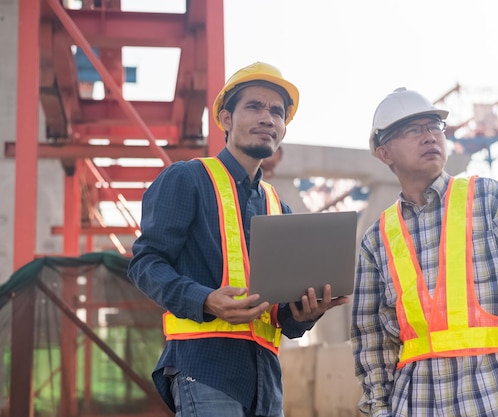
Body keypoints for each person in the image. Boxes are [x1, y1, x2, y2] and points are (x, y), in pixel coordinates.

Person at [128, 61, 349, 417]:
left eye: (277, 112)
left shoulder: (280, 207)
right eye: (254, 106)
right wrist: (206, 300)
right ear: (226, 119)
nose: (267, 118)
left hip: (266, 379)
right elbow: (145, 264)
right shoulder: (186, 179)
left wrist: (307, 312)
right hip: (205, 367)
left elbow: (283, 319)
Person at [350, 87, 498, 417]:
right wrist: (380, 410)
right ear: (384, 153)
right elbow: (371, 340)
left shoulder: (489, 198)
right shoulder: (376, 239)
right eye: (413, 129)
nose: (429, 137)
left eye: (434, 127)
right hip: (418, 405)